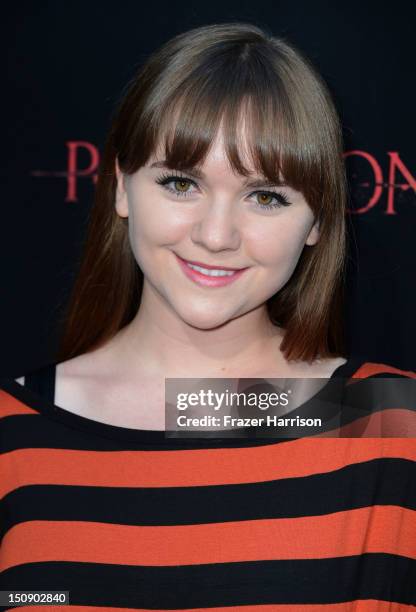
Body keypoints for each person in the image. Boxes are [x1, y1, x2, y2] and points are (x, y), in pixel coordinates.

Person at [1, 22, 415, 610]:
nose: (216, 236)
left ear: (319, 219)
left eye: (266, 196)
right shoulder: (10, 432)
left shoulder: (395, 429)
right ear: (121, 188)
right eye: (180, 182)